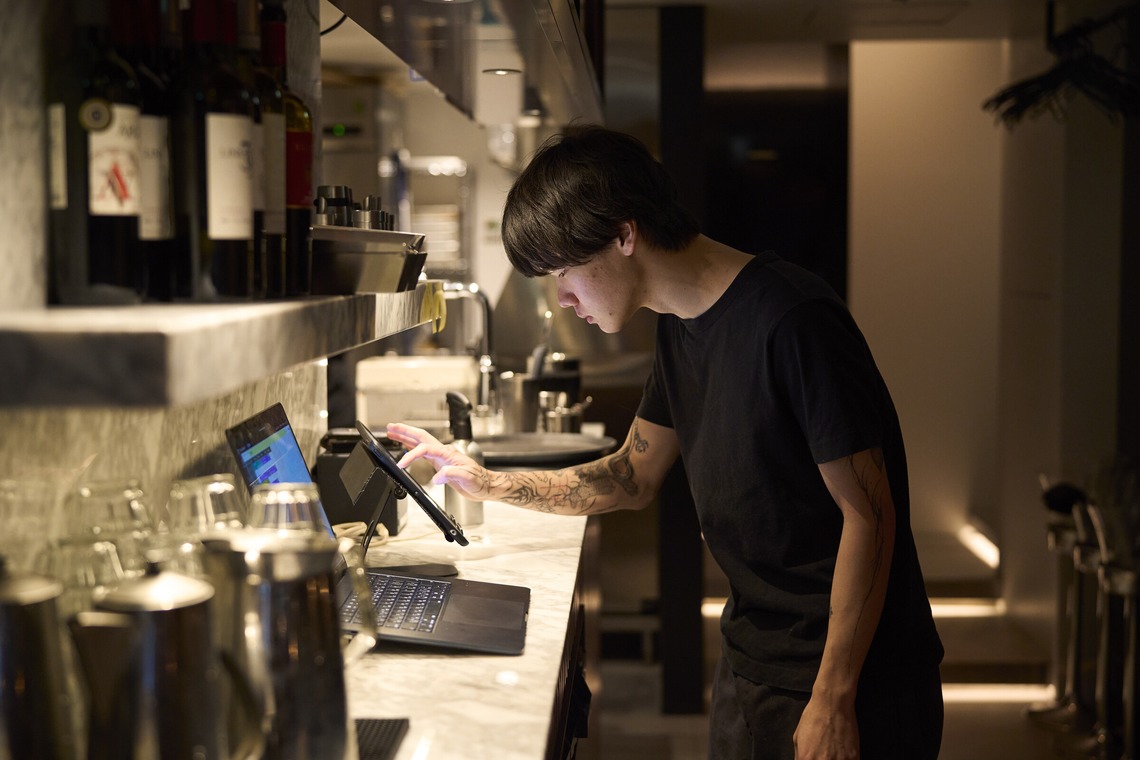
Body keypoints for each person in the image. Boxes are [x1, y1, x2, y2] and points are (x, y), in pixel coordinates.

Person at [386, 125, 945, 760]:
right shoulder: (680, 328)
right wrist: (485, 481)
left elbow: (870, 515)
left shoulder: (793, 320)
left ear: (624, 235)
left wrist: (834, 698)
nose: (563, 299)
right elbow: (631, 476)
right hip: (752, 655)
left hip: (853, 678)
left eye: (566, 271)